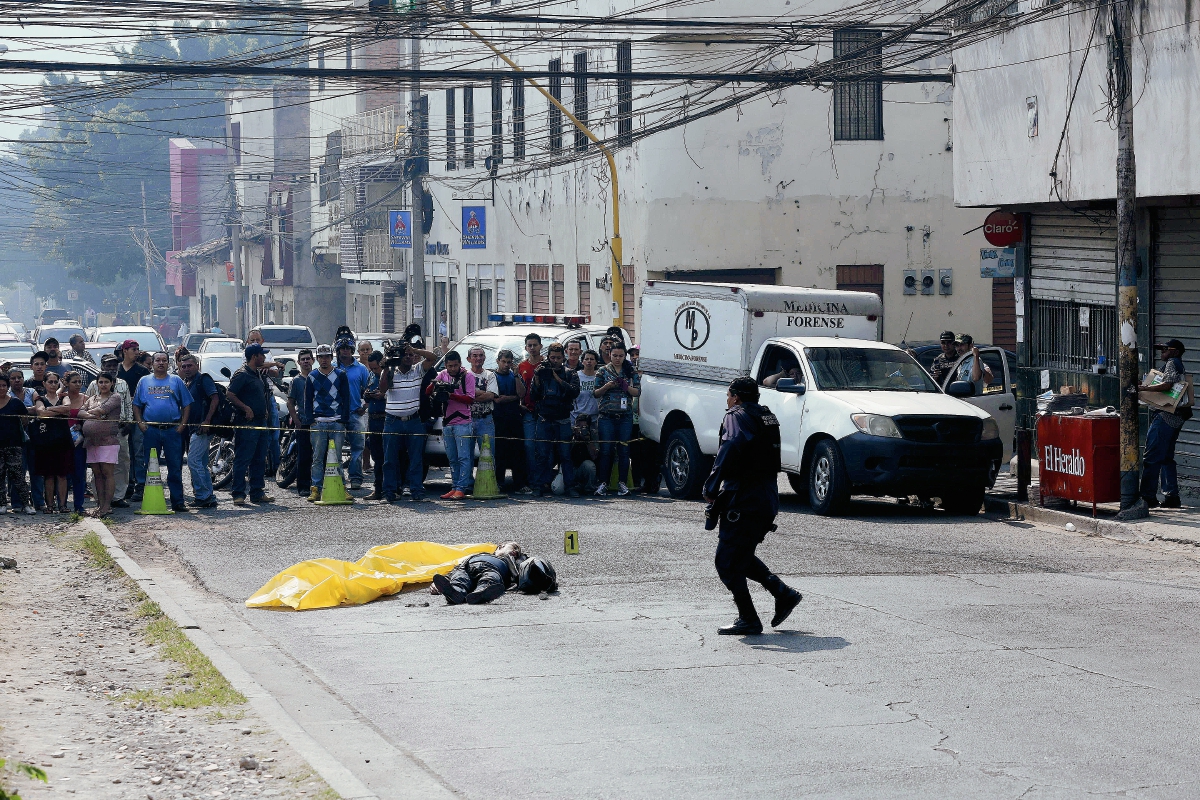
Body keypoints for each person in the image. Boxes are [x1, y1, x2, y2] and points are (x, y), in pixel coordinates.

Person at [703, 377, 802, 636]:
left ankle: (748, 618)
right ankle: (783, 594)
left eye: (728, 396)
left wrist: (711, 486)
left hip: (744, 498)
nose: (727, 401)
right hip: (766, 496)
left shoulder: (736, 415)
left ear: (736, 396)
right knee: (741, 556)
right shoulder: (767, 416)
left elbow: (732, 445)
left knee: (726, 561)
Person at [380, 338, 437, 503]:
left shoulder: (418, 369)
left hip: (413, 420)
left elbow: (432, 357)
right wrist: (386, 367)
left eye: (410, 355)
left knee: (416, 458)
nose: (408, 357)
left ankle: (416, 491)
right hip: (392, 420)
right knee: (389, 459)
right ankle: (389, 492)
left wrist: (414, 349)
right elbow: (383, 389)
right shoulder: (391, 370)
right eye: (404, 355)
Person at [132, 352, 191, 513]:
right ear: (152, 363)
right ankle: (150, 500)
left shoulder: (176, 380)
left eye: (164, 360)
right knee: (150, 466)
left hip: (172, 430)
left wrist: (182, 425)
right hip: (151, 430)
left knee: (175, 467)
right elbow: (136, 405)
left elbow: (186, 404)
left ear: (168, 363)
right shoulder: (144, 381)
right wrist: (140, 423)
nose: (161, 363)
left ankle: (178, 501)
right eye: (157, 360)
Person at [1138, 339, 1190, 509]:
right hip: (1176, 417)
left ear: (1175, 351)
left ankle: (1148, 497)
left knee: (1152, 457)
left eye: (1166, 349)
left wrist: (1144, 389)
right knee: (1166, 458)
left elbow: (1168, 385)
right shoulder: (1176, 363)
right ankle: (1171, 497)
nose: (1162, 352)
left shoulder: (1172, 362)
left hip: (1166, 416)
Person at [226, 343, 275, 507]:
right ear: (255, 357)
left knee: (260, 459)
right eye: (262, 355)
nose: (264, 358)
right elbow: (230, 394)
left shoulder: (258, 374)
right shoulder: (242, 374)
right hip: (247, 423)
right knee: (243, 458)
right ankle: (238, 494)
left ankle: (257, 492)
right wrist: (245, 407)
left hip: (261, 421)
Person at [530, 342, 580, 497]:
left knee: (566, 455)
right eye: (552, 357)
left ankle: (570, 486)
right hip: (545, 418)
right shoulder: (541, 372)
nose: (555, 360)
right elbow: (533, 396)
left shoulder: (570, 373)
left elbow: (574, 392)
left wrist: (556, 377)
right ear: (548, 357)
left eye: (558, 358)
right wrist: (538, 377)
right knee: (542, 455)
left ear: (563, 357)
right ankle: (539, 486)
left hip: (563, 418)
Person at [304, 344, 351, 500]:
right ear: (317, 359)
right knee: (317, 457)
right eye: (321, 357)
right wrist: (310, 420)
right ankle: (315, 488)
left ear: (332, 357)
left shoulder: (340, 374)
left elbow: (346, 397)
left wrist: (344, 419)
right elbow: (307, 400)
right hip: (319, 421)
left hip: (336, 420)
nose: (324, 360)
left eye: (327, 356)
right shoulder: (312, 376)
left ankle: (342, 487)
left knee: (337, 457)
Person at [593, 343, 640, 497]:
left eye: (620, 356)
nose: (618, 358)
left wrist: (626, 387)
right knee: (606, 451)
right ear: (609, 355)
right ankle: (603, 483)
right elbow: (596, 393)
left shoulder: (630, 370)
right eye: (615, 356)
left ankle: (622, 483)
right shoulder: (602, 370)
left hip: (625, 416)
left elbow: (637, 392)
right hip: (607, 416)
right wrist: (607, 386)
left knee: (624, 451)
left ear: (624, 356)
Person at [87, 354, 134, 509]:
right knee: (98, 467)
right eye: (108, 365)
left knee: (122, 463)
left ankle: (118, 496)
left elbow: (128, 404)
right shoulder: (94, 385)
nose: (112, 368)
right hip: (96, 431)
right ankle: (99, 497)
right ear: (102, 366)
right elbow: (86, 406)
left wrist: (129, 422)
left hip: (119, 429)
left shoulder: (123, 384)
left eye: (114, 365)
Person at [428, 350, 476, 500]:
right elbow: (427, 392)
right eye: (450, 366)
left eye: (455, 365)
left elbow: (470, 399)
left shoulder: (467, 376)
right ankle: (455, 486)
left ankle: (462, 487)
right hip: (447, 421)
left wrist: (451, 394)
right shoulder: (442, 374)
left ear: (460, 364)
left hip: (463, 422)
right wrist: (434, 384)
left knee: (464, 457)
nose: (453, 368)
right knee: (452, 458)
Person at [177, 353, 219, 509]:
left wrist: (207, 420)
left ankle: (203, 495)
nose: (187, 369)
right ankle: (208, 496)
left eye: (190, 365)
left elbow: (215, 398)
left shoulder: (203, 379)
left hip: (202, 428)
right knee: (200, 463)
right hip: (191, 428)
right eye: (184, 366)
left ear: (197, 365)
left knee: (193, 461)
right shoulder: (187, 382)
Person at [78, 372, 122, 517]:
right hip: (91, 442)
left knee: (107, 473)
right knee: (97, 474)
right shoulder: (91, 398)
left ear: (112, 383)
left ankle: (107, 506)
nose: (103, 385)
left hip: (108, 441)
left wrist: (93, 413)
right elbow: (79, 413)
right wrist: (94, 415)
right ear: (97, 383)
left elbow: (102, 410)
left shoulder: (115, 397)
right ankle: (100, 505)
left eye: (106, 382)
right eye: (101, 382)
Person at [430, 542, 525, 605]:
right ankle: (455, 593)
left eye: (504, 546)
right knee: (459, 577)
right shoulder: (483, 554)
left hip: (491, 569)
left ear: (514, 552)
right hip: (466, 568)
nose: (500, 546)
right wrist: (442, 581)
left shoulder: (512, 560)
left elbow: (525, 570)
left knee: (490, 578)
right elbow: (456, 569)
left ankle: (481, 592)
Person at [335, 337, 371, 490]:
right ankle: (338, 479)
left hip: (355, 413)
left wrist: (365, 406)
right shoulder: (330, 367)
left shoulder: (361, 369)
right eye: (342, 348)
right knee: (335, 449)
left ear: (352, 350)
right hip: (336, 415)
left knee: (358, 448)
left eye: (348, 348)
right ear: (338, 350)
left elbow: (369, 388)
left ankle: (356, 477)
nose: (345, 350)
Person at [117, 339, 150, 501]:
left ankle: (140, 485)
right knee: (124, 453)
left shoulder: (142, 372)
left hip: (138, 416)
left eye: (138, 349)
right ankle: (126, 485)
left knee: (138, 452)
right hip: (121, 418)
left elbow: (146, 395)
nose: (137, 352)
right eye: (133, 349)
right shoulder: (117, 370)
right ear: (125, 351)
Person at [491, 350, 526, 491]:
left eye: (509, 362)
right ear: (498, 361)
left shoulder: (514, 376)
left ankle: (520, 484)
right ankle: (499, 482)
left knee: (518, 452)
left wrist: (517, 375)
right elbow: (498, 399)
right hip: (498, 419)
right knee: (500, 453)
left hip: (515, 418)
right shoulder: (492, 376)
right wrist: (515, 398)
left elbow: (522, 393)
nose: (506, 365)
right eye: (503, 362)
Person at [466, 346, 499, 492]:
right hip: (466, 419)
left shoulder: (490, 375)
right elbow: (462, 397)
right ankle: (466, 485)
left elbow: (491, 396)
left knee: (488, 454)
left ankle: (489, 484)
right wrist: (479, 394)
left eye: (481, 355)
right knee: (465, 454)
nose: (478, 358)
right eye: (474, 355)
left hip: (486, 419)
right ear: (469, 359)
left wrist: (471, 394)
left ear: (485, 358)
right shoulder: (464, 375)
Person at [0, 374, 34, 515]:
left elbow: (25, 420)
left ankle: (26, 504)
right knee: (0, 476)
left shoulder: (15, 402)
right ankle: (2, 504)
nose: (1, 388)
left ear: (7, 387)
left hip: (14, 445)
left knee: (18, 476)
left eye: (3, 385)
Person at [515, 333, 544, 494]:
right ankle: (532, 481)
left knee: (542, 448)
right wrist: (521, 405)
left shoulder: (547, 364)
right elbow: (520, 391)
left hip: (545, 413)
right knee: (528, 446)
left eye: (535, 345)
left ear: (540, 346)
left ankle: (542, 481)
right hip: (528, 412)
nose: (532, 348)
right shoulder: (521, 367)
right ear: (526, 347)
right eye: (529, 345)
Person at [8, 369, 40, 512]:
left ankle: (39, 501)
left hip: (33, 435)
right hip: (14, 437)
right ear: (9, 380)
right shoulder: (6, 394)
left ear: (23, 378)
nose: (17, 380)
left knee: (36, 470)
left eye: (19, 377)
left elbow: (39, 408)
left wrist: (21, 411)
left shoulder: (31, 391)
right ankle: (17, 503)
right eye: (13, 378)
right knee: (17, 471)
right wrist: (28, 411)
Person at [287, 348, 315, 498]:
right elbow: (290, 403)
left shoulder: (318, 377)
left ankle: (318, 484)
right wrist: (296, 420)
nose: (305, 361)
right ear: (298, 362)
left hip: (318, 423)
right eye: (303, 359)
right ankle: (303, 486)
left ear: (313, 360)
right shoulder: (296, 381)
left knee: (319, 456)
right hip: (303, 423)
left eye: (308, 359)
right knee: (304, 456)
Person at [362, 351, 386, 500]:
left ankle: (390, 489)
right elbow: (366, 391)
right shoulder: (371, 375)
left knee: (387, 458)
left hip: (385, 419)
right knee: (376, 457)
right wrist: (367, 394)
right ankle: (377, 489)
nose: (373, 371)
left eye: (376, 368)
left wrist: (382, 395)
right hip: (373, 419)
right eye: (371, 368)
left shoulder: (388, 375)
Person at [569, 414, 600, 494]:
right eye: (578, 425)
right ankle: (571, 486)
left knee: (589, 465)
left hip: (584, 468)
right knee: (558, 489)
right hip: (569, 468)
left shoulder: (593, 434)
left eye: (583, 427)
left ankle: (589, 488)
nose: (581, 429)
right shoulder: (569, 433)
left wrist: (587, 440)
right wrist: (574, 437)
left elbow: (594, 456)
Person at [572, 350, 600, 425]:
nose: (589, 361)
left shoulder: (600, 376)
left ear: (596, 362)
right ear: (582, 361)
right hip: (577, 417)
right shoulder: (575, 376)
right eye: (586, 359)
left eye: (592, 359)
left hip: (595, 419)